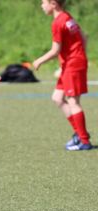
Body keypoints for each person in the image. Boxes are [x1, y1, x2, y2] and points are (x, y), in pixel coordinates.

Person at [33, 0, 92, 150]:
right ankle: (79, 133)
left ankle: (84, 142)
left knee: (73, 102)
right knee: (57, 98)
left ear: (53, 4)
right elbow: (84, 38)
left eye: (43, 2)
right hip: (70, 64)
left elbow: (55, 51)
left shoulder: (58, 23)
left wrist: (39, 61)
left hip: (73, 65)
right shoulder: (67, 17)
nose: (41, 5)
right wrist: (77, 57)